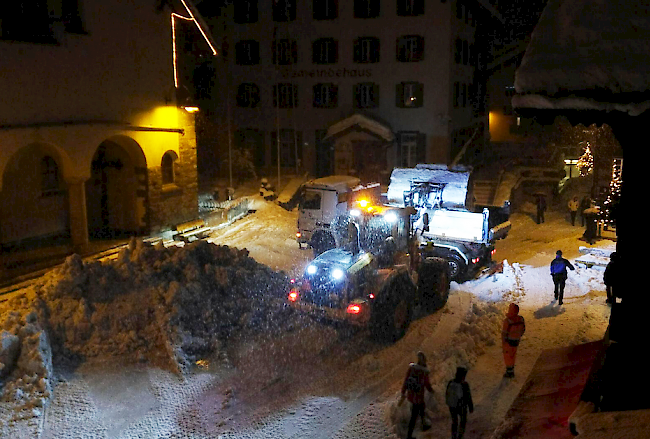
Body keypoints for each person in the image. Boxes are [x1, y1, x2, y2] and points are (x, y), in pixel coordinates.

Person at [400, 351, 433, 439]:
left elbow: (406, 380)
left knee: (421, 409)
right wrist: (432, 391)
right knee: (414, 416)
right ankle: (409, 436)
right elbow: (427, 384)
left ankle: (424, 424)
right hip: (418, 397)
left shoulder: (411, 369)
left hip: (411, 395)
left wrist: (403, 392)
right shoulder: (423, 371)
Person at [446, 366, 474, 439]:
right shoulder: (464, 385)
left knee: (454, 422)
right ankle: (460, 436)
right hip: (461, 407)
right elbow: (468, 397)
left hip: (452, 406)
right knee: (463, 421)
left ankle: (453, 436)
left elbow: (447, 394)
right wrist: (471, 407)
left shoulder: (450, 382)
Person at [502, 303, 525, 378]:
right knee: (513, 355)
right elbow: (523, 329)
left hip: (509, 340)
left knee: (508, 356)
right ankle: (511, 370)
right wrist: (519, 335)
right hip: (516, 340)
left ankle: (509, 371)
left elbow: (504, 332)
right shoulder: (521, 319)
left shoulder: (508, 321)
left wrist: (504, 341)